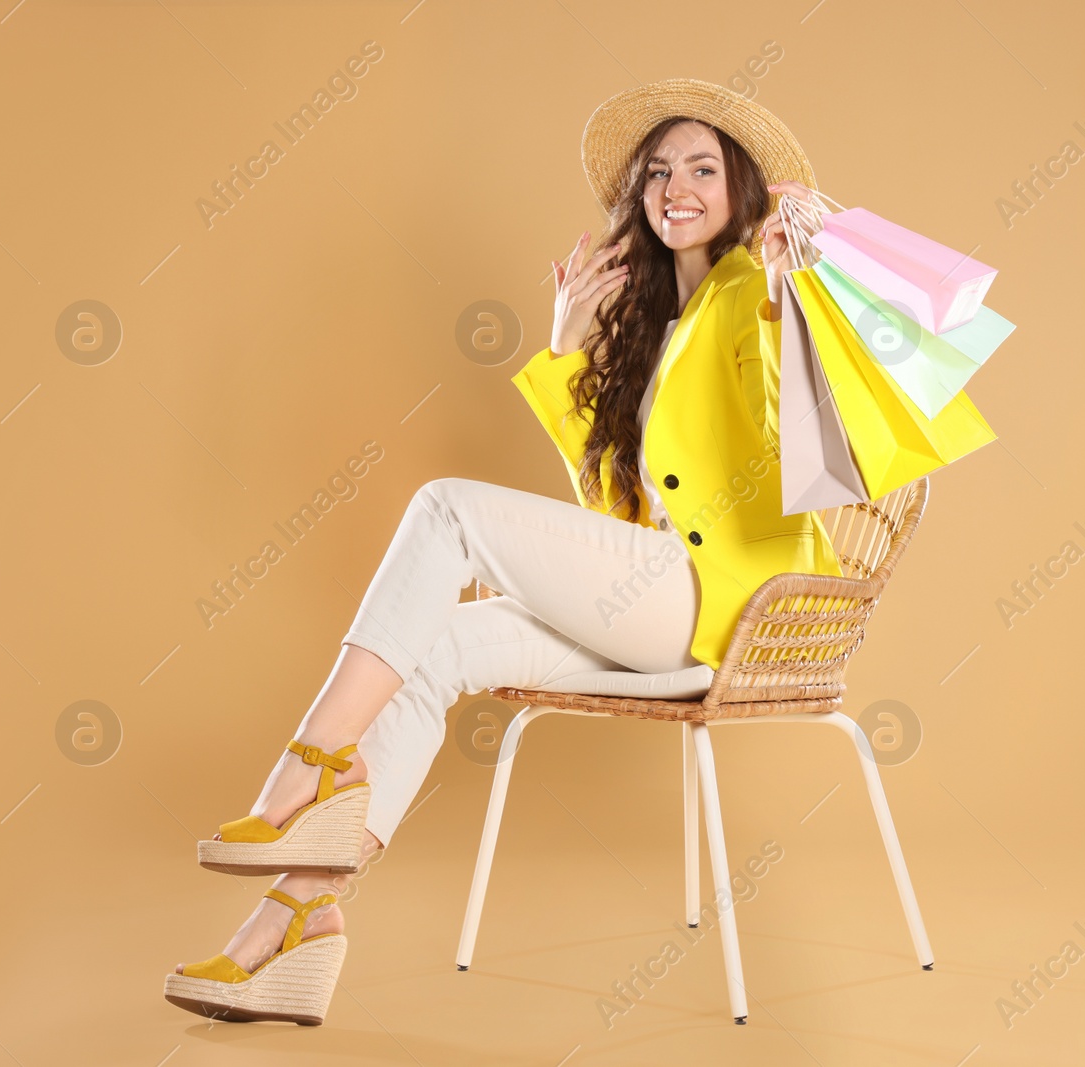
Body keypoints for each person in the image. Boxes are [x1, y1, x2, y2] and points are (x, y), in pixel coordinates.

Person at [164, 76, 843, 1025]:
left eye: (702, 167)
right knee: (444, 646)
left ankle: (313, 763)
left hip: (719, 609)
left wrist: (783, 291)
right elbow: (606, 508)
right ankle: (300, 915)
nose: (675, 186)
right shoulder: (662, 320)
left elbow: (789, 432)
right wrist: (566, 346)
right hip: (647, 599)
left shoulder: (749, 299)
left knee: (447, 507)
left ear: (743, 189)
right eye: (658, 171)